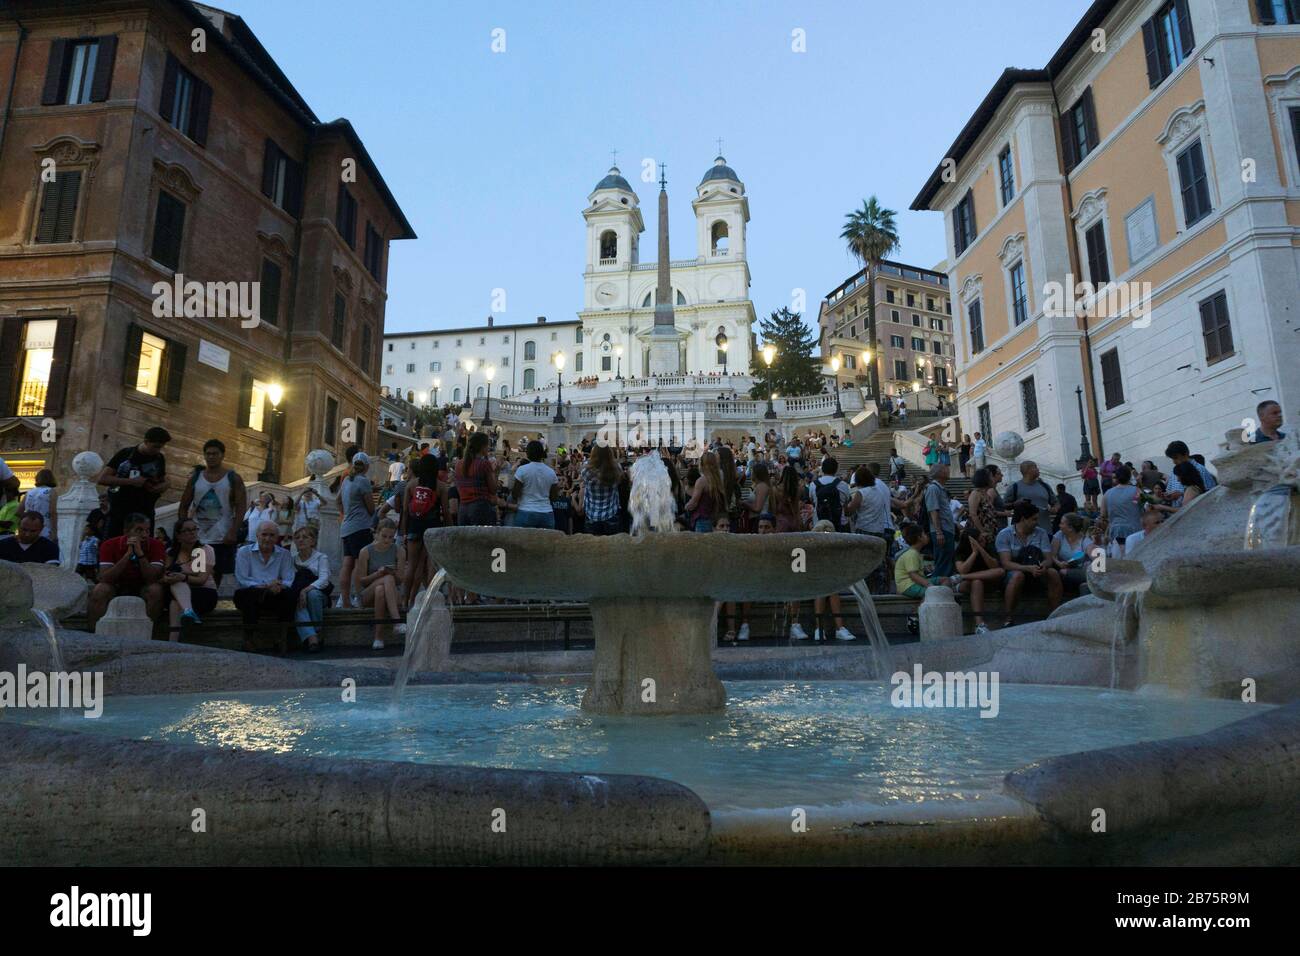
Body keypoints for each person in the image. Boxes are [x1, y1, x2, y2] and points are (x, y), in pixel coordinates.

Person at [178, 438, 246, 584]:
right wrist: (183, 528)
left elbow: (241, 506)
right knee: (197, 572)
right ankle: (197, 601)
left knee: (218, 572)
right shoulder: (196, 478)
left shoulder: (233, 478)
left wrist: (234, 531)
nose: (211, 457)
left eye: (215, 454)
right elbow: (184, 504)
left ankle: (210, 599)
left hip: (222, 535)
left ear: (222, 455)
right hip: (198, 536)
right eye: (208, 454)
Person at [89, 512, 167, 631]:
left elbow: (152, 578)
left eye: (147, 530)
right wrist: (127, 555)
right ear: (126, 531)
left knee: (155, 590)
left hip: (143, 585)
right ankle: (93, 633)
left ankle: (150, 633)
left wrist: (140, 554)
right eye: (139, 530)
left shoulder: (157, 545)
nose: (145, 535)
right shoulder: (109, 545)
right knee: (100, 590)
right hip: (117, 585)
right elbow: (104, 577)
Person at [996, 501, 1063, 625]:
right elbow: (1006, 563)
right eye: (1034, 519)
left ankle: (1055, 615)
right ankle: (1008, 618)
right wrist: (1027, 568)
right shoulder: (1004, 535)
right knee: (1017, 576)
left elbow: (1048, 559)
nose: (1037, 522)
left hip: (1037, 570)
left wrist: (1043, 566)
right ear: (1023, 519)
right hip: (1014, 573)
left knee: (1053, 572)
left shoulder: (1041, 533)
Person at [233, 520, 296, 648]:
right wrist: (267, 586)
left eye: (272, 535)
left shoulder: (284, 554)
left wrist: (278, 586)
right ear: (257, 535)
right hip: (252, 592)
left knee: (290, 594)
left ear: (277, 537)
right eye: (264, 534)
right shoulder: (244, 552)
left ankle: (281, 637)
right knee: (249, 594)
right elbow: (243, 579)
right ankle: (248, 638)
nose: (268, 538)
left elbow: (288, 579)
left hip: (274, 594)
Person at [98, 426, 170, 538]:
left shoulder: (159, 458)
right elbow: (103, 478)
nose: (157, 450)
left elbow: (164, 479)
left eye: (160, 447)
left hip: (145, 511)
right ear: (146, 441)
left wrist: (162, 486)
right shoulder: (125, 454)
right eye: (155, 447)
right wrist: (131, 481)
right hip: (120, 512)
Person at [357, 518, 406, 650]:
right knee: (386, 580)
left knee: (381, 589)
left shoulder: (399, 550)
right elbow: (361, 581)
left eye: (391, 537)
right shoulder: (366, 551)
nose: (387, 540)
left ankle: (378, 637)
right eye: (384, 536)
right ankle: (396, 621)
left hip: (391, 593)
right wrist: (379, 574)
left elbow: (401, 579)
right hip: (368, 593)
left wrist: (392, 573)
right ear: (376, 533)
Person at [401, 453, 445, 601]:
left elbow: (406, 511)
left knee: (411, 565)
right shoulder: (441, 487)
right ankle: (429, 600)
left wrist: (404, 532)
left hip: (414, 527)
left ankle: (404, 601)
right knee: (428, 566)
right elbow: (446, 512)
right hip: (433, 529)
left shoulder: (411, 485)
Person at [164, 517, 218, 636]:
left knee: (175, 601)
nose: (192, 532)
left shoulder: (205, 550)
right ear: (178, 535)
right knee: (176, 590)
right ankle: (188, 612)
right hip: (178, 590)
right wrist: (170, 577)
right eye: (187, 530)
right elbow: (166, 574)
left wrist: (182, 577)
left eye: (194, 529)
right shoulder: (171, 552)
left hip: (204, 592)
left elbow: (201, 580)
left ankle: (173, 641)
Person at [337, 452, 376, 608]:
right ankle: (359, 599)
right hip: (360, 527)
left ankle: (345, 600)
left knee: (347, 564)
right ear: (366, 467)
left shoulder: (346, 480)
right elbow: (371, 508)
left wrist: (345, 514)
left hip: (346, 527)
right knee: (361, 564)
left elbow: (337, 501)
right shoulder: (363, 481)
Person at [952, 528, 1004, 634]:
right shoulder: (961, 551)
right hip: (969, 584)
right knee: (977, 582)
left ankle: (963, 577)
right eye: (979, 541)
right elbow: (962, 569)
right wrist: (974, 553)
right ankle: (980, 624)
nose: (983, 541)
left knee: (1000, 571)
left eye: (982, 539)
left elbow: (994, 566)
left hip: (985, 580)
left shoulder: (988, 546)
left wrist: (981, 549)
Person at [290, 525, 331, 652]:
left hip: (318, 596)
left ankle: (317, 630)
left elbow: (324, 579)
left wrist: (305, 590)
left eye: (305, 537)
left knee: (312, 595)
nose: (300, 540)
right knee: (295, 599)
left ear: (313, 541)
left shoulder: (321, 557)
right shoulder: (292, 560)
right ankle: (312, 638)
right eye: (297, 537)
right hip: (299, 596)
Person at [454, 432, 505, 527]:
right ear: (482, 447)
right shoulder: (484, 464)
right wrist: (497, 471)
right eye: (487, 445)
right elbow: (493, 490)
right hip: (481, 508)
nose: (488, 448)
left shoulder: (458, 464)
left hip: (463, 508)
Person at [511, 440, 559, 529]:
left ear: (528, 453)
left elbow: (515, 494)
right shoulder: (551, 472)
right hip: (546, 513)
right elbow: (554, 497)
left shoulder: (522, 470)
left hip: (526, 511)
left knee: (522, 542)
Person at [579, 443, 625, 536]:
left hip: (592, 515)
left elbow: (583, 482)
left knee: (593, 547)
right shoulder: (616, 468)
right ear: (610, 453)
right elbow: (620, 482)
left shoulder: (586, 470)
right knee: (612, 546)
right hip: (611, 513)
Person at [1007, 461, 1057, 535]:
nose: (1038, 469)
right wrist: (1015, 504)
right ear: (1028, 470)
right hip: (1021, 534)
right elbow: (1004, 505)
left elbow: (1055, 503)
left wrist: (1054, 509)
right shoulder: (1014, 487)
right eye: (1035, 467)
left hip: (1045, 531)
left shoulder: (1045, 486)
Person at [924, 463, 956, 578]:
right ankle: (937, 588)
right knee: (943, 562)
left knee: (947, 561)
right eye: (946, 468)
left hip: (946, 530)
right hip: (941, 531)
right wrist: (938, 531)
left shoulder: (939, 489)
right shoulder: (933, 488)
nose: (948, 470)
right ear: (941, 473)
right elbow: (933, 510)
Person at [1100, 465, 1142, 553]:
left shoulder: (1107, 493)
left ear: (1117, 477)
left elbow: (1103, 514)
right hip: (1135, 528)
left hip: (1116, 530)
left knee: (1123, 554)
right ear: (1129, 476)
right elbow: (1138, 505)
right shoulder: (1136, 490)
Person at [811, 456, 853, 532]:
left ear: (822, 469)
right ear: (836, 469)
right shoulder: (843, 485)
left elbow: (813, 501)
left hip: (819, 524)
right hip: (839, 524)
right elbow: (846, 504)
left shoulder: (813, 485)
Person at [17, 468, 58, 543]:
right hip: (45, 529)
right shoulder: (51, 492)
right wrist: (55, 531)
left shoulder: (29, 492)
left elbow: (19, 511)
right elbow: (53, 512)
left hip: (29, 529)